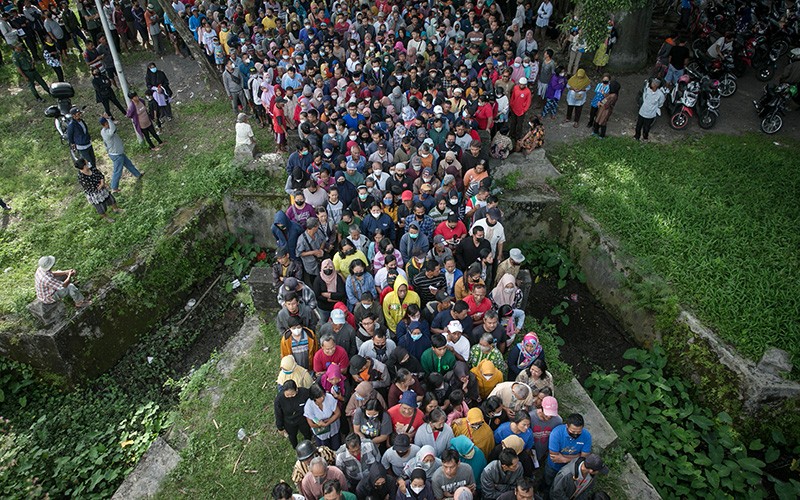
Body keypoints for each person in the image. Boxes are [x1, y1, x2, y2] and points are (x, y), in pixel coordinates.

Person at [544, 413, 593, 492]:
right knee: (548, 482)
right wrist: (577, 456)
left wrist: (564, 459)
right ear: (567, 426)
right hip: (554, 466)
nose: (575, 434)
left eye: (579, 432)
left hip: (572, 469)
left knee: (562, 486)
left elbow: (584, 458)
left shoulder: (587, 436)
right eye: (573, 431)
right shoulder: (556, 433)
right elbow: (554, 457)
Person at [99, 115, 143, 193]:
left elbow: (113, 128)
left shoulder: (106, 130)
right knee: (118, 171)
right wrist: (109, 119)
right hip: (116, 154)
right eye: (107, 123)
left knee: (129, 164)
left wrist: (109, 120)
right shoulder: (106, 132)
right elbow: (113, 129)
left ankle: (138, 174)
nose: (109, 124)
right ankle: (114, 187)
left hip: (119, 153)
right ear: (104, 124)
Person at [75, 158, 121, 223]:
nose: (88, 163)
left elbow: (100, 175)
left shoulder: (92, 168)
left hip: (102, 187)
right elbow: (92, 187)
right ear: (84, 166)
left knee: (111, 199)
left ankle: (116, 209)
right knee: (101, 208)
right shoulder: (81, 177)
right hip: (95, 193)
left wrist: (102, 182)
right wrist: (101, 185)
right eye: (87, 163)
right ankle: (107, 218)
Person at [275, 380, 312, 448]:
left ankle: (308, 445)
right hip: (289, 422)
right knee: (292, 436)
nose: (290, 396)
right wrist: (280, 427)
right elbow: (278, 413)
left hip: (302, 419)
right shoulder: (279, 399)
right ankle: (295, 447)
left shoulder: (304, 393)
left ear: (296, 390)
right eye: (287, 395)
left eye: (292, 394)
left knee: (307, 433)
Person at [529, 396, 562, 467]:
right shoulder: (530, 417)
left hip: (546, 449)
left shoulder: (558, 421)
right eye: (547, 413)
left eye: (552, 414)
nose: (549, 416)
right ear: (541, 408)